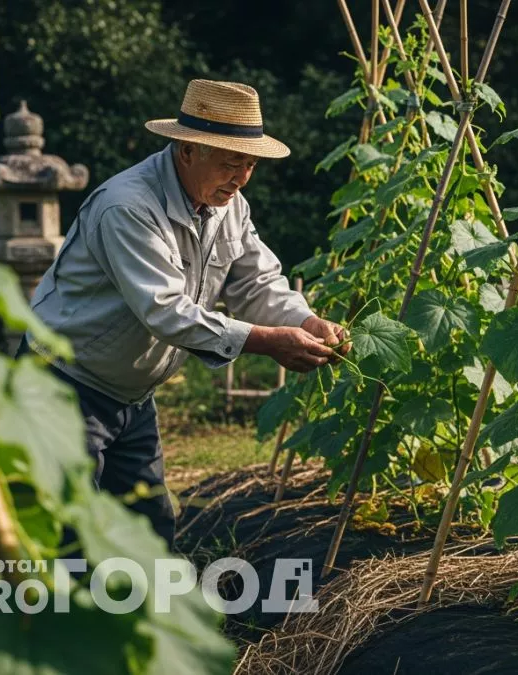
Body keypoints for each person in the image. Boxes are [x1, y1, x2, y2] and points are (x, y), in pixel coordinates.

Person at [21, 79, 347, 546]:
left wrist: (303, 321)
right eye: (231, 162)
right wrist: (266, 341)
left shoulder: (228, 205)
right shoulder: (128, 207)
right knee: (63, 537)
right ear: (188, 149)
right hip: (65, 383)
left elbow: (256, 281)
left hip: (132, 395)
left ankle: (137, 618)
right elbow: (166, 310)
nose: (240, 177)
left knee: (149, 534)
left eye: (250, 164)